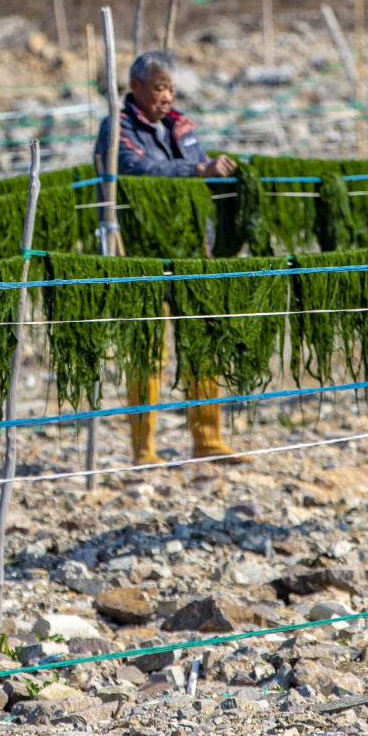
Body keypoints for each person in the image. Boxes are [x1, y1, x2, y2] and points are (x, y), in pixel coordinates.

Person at [94, 49, 245, 466]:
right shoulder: (118, 128)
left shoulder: (181, 126)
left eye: (172, 89)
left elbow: (200, 165)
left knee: (202, 343)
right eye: (160, 87)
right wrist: (198, 172)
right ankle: (144, 448)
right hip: (142, 255)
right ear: (136, 87)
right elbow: (139, 170)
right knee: (147, 350)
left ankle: (207, 439)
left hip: (195, 251)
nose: (167, 96)